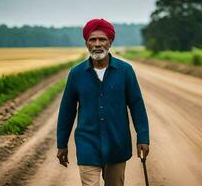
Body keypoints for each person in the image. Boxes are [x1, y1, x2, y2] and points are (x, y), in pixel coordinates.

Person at [56, 18, 150, 186]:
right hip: (87, 144)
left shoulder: (125, 71)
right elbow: (67, 110)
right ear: (87, 44)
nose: (97, 44)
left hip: (117, 144)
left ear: (110, 42)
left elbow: (137, 106)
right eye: (93, 39)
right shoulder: (76, 74)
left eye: (102, 39)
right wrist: (61, 144)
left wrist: (143, 138)